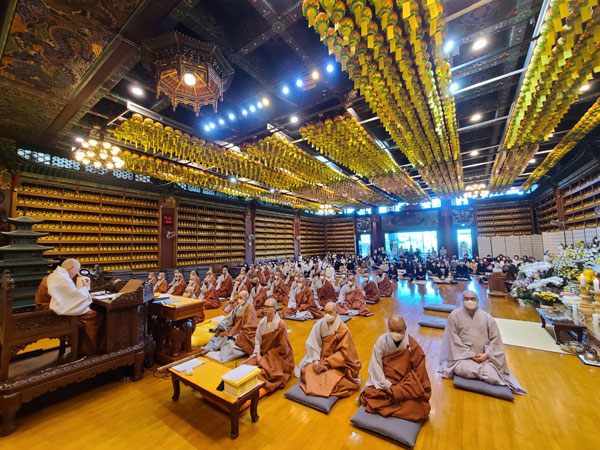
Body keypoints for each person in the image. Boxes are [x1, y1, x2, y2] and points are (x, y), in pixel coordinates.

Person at [439, 291, 526, 394]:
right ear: (462, 300)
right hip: (463, 356)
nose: (470, 301)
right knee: (461, 368)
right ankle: (482, 373)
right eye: (466, 299)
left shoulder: (487, 318)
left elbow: (496, 340)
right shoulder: (454, 316)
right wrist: (470, 354)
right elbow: (453, 340)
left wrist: (487, 355)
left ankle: (485, 372)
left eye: (473, 299)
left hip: (485, 357)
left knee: (490, 372)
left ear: (478, 300)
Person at [360, 315, 431, 420]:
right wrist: (385, 384)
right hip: (386, 380)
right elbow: (376, 365)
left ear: (405, 328)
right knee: (369, 394)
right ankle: (395, 405)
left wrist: (398, 390)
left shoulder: (413, 346)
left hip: (404, 383)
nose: (396, 334)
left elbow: (419, 374)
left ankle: (390, 404)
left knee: (421, 408)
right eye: (392, 330)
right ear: (388, 328)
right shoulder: (382, 342)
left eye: (399, 331)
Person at [296, 302, 362, 397]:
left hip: (338, 364)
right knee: (306, 370)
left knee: (338, 381)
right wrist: (316, 360)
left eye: (330, 313)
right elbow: (313, 343)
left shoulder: (343, 329)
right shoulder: (319, 325)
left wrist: (328, 364)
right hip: (322, 359)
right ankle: (321, 384)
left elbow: (344, 353)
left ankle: (321, 385)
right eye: (326, 312)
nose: (327, 315)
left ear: (336, 313)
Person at [44, 259, 103, 355]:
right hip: (52, 311)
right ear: (71, 268)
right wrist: (84, 288)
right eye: (77, 270)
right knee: (94, 315)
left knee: (92, 310)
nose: (76, 274)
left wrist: (82, 291)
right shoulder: (62, 278)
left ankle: (84, 346)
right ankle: (87, 350)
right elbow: (74, 298)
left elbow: (70, 295)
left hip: (54, 306)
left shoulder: (57, 275)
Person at [245, 299, 294, 394]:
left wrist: (267, 357)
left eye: (268, 307)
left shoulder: (280, 324)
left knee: (266, 373)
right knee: (247, 366)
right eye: (264, 307)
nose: (265, 309)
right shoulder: (262, 323)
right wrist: (258, 354)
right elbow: (257, 340)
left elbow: (283, 348)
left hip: (278, 356)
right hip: (264, 354)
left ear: (274, 308)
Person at [200, 291, 258, 362]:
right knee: (218, 335)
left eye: (241, 298)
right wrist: (222, 324)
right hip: (235, 328)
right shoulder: (238, 307)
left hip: (243, 332)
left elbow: (251, 325)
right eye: (238, 297)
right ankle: (208, 349)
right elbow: (229, 318)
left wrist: (240, 333)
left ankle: (224, 352)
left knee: (231, 344)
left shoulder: (250, 309)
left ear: (246, 298)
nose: (239, 299)